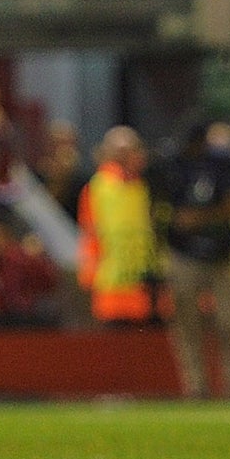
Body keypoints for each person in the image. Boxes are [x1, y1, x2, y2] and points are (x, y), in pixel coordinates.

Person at [156, 121, 230, 398]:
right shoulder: (172, 165)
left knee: (229, 322)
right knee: (187, 324)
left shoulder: (221, 165)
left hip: (218, 252)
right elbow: (162, 206)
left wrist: (199, 219)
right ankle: (196, 386)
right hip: (183, 252)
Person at [76, 127, 160, 325]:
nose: (140, 156)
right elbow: (90, 234)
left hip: (145, 286)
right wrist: (89, 277)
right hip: (112, 289)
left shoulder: (143, 186)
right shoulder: (99, 188)